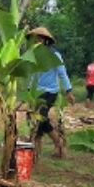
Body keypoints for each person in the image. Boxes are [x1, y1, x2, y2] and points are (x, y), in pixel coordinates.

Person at [28, 27, 74, 158]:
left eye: (37, 39)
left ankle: (58, 143)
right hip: (35, 92)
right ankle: (36, 151)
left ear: (44, 40)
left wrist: (68, 91)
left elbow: (62, 74)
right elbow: (32, 74)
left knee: (41, 118)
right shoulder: (33, 54)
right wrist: (28, 91)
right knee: (36, 120)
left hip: (50, 92)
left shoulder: (54, 55)